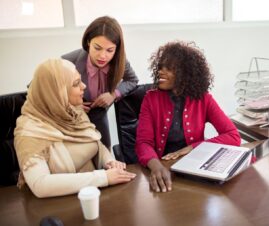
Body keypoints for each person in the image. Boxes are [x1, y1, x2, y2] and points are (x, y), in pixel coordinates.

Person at [14, 59, 136, 198]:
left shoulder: (73, 110)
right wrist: (103, 178)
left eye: (81, 80)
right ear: (56, 92)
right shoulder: (29, 132)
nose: (84, 86)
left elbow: (94, 141)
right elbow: (41, 185)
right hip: (57, 208)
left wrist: (108, 161)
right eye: (76, 83)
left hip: (92, 197)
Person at [135, 41, 241, 193]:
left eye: (169, 68)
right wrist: (156, 166)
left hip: (195, 169)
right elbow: (143, 143)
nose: (161, 72)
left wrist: (193, 147)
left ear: (185, 73)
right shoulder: (150, 99)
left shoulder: (203, 99)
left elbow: (233, 136)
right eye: (160, 67)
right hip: (163, 169)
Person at [62, 16, 138, 150]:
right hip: (69, 119)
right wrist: (68, 104)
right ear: (88, 43)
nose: (103, 56)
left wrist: (114, 94)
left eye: (110, 50)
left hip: (98, 114)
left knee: (105, 154)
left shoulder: (120, 61)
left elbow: (132, 80)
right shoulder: (68, 60)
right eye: (97, 48)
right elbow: (36, 88)